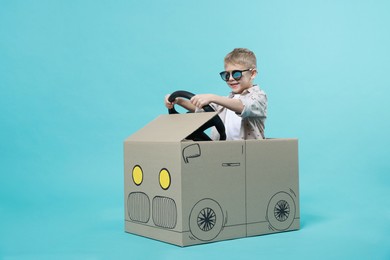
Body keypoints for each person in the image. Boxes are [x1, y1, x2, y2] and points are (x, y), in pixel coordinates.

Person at [165, 48, 267, 140]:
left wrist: (213, 97)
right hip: (221, 152)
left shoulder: (258, 97)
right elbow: (200, 108)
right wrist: (178, 101)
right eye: (226, 75)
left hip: (248, 154)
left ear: (252, 74)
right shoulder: (226, 101)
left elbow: (244, 106)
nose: (231, 79)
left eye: (236, 74)